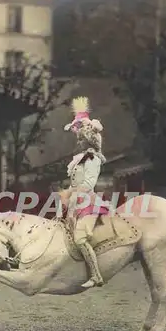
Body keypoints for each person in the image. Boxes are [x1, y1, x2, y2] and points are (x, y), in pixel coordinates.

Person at [61, 96, 109, 288]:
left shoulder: (92, 159)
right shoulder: (80, 159)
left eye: (81, 137)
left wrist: (72, 193)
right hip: (75, 200)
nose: (78, 140)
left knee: (80, 238)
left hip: (88, 202)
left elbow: (89, 183)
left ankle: (96, 275)